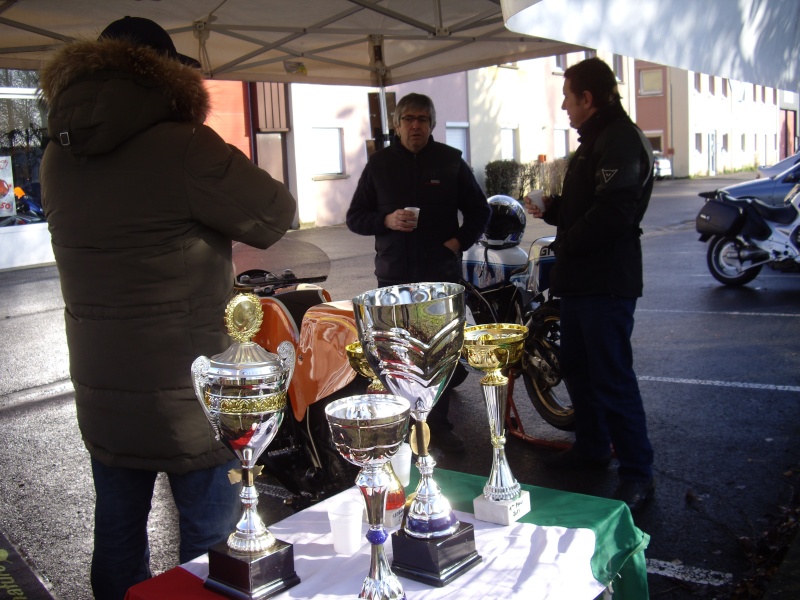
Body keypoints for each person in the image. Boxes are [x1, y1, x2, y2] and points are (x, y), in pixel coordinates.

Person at [38, 16, 296, 599]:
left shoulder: (58, 155)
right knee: (211, 549)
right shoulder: (184, 146)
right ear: (165, 73)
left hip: (103, 387)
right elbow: (274, 213)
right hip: (189, 394)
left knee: (118, 540)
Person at [523, 57, 655, 512]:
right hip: (582, 282)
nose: (563, 106)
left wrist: (567, 242)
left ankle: (638, 472)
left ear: (587, 98)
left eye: (567, 97)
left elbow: (615, 213)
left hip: (606, 282)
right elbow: (590, 206)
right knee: (577, 368)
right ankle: (593, 449)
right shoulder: (597, 137)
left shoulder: (619, 138)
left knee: (612, 376)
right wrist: (554, 208)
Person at [346, 92, 490, 454]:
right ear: (396, 125)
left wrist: (457, 243)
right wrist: (386, 220)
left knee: (437, 357)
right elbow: (355, 218)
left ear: (432, 124)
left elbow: (479, 211)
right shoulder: (379, 165)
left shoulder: (450, 161)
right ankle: (404, 429)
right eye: (408, 119)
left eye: (422, 119)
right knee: (398, 358)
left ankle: (437, 428)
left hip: (439, 277)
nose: (415, 126)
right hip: (393, 279)